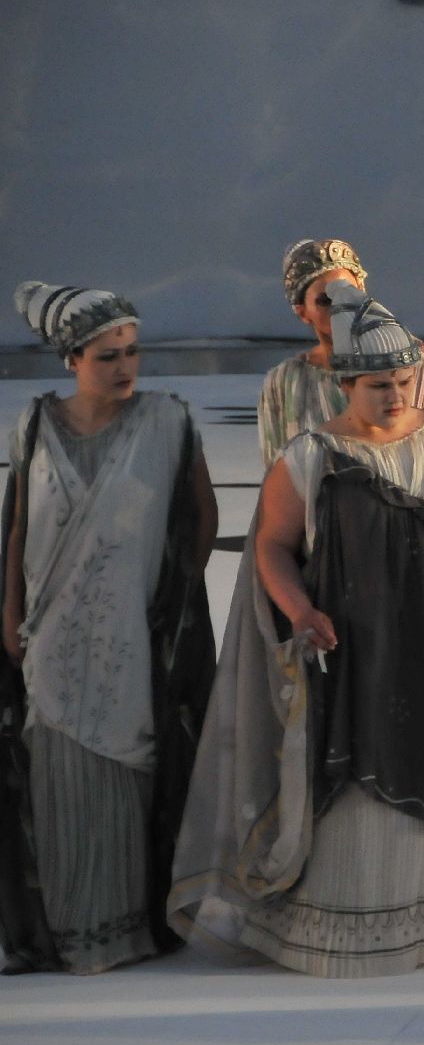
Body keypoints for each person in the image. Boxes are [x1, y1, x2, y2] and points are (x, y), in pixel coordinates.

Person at [169, 282, 424, 977]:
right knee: (361, 776)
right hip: (359, 651)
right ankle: (346, 929)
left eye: (405, 381)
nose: (396, 394)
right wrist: (299, 610)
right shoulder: (310, 455)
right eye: (379, 385)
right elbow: (272, 547)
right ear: (346, 384)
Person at [0, 282, 215, 974]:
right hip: (51, 634)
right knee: (57, 781)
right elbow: (18, 528)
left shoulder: (167, 421)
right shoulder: (35, 425)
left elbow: (200, 515)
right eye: (107, 356)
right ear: (72, 359)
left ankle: (127, 927)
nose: (125, 367)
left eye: (131, 352)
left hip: (129, 634)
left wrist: (171, 600)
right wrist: (10, 614)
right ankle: (69, 932)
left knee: (129, 772)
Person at [257, 239, 424, 467]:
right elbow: (277, 467)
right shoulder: (284, 381)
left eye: (348, 292)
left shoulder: (410, 358)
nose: (340, 305)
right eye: (325, 300)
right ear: (302, 311)